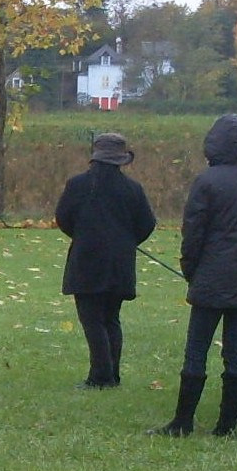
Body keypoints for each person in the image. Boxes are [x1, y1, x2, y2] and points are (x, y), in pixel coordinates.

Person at [150, 114, 237, 437]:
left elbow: (193, 234)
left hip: (212, 277)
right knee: (236, 353)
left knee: (196, 351)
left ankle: (183, 421)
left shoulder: (206, 182)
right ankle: (225, 426)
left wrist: (191, 270)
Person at [55, 132, 157, 389]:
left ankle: (101, 377)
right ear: (122, 160)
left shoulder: (77, 185)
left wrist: (83, 235)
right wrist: (127, 241)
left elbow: (63, 218)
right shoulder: (132, 189)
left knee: (92, 319)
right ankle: (112, 373)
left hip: (87, 260)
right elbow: (147, 223)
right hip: (120, 262)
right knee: (111, 318)